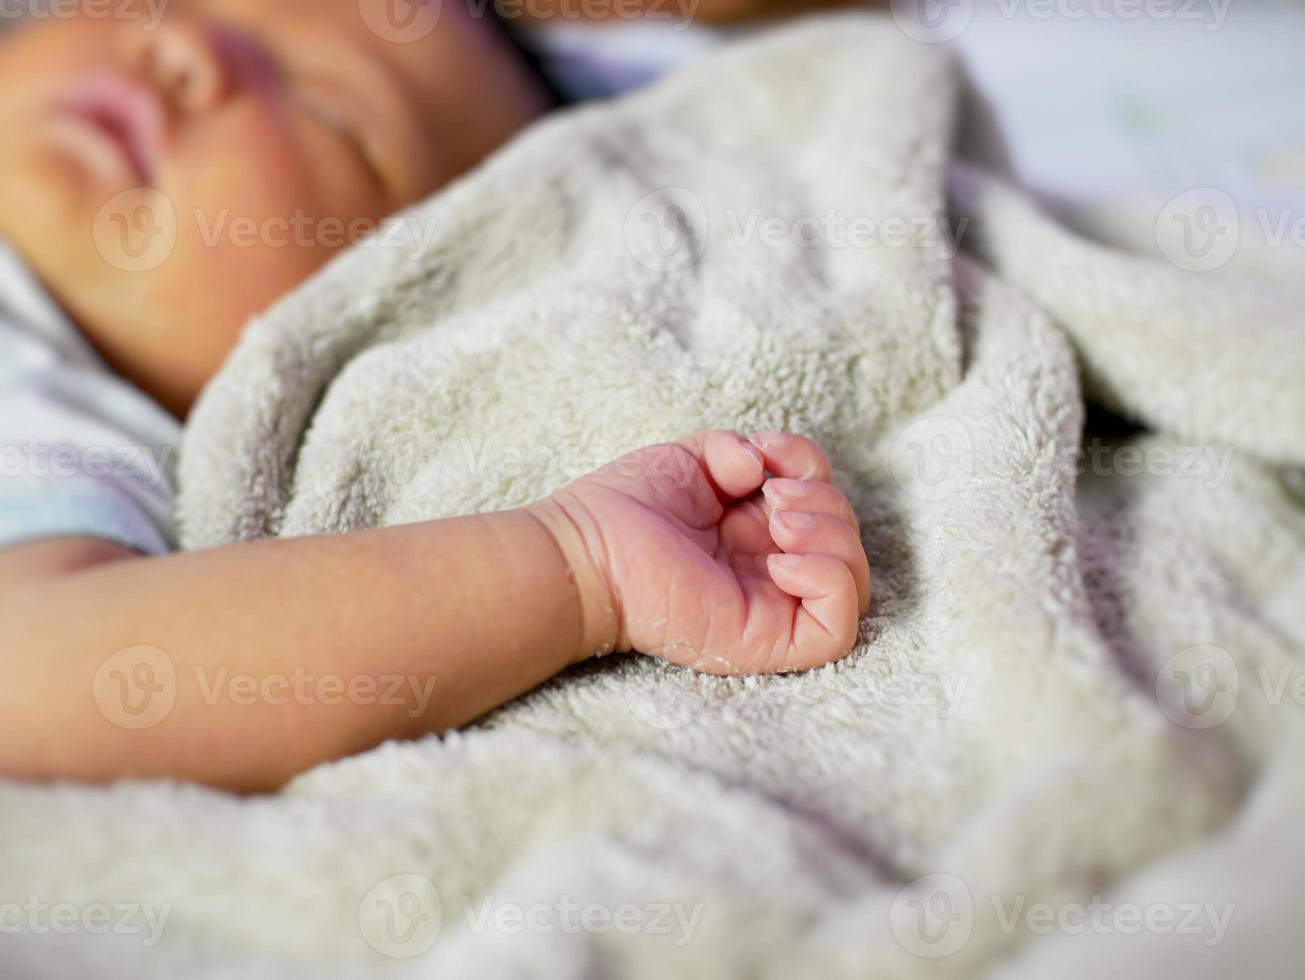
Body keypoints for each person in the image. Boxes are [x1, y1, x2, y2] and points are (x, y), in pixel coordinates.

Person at [0, 0, 870, 791]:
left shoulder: (56, 409)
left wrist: (574, 566)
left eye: (329, 122)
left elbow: (38, 666)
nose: (196, 50)